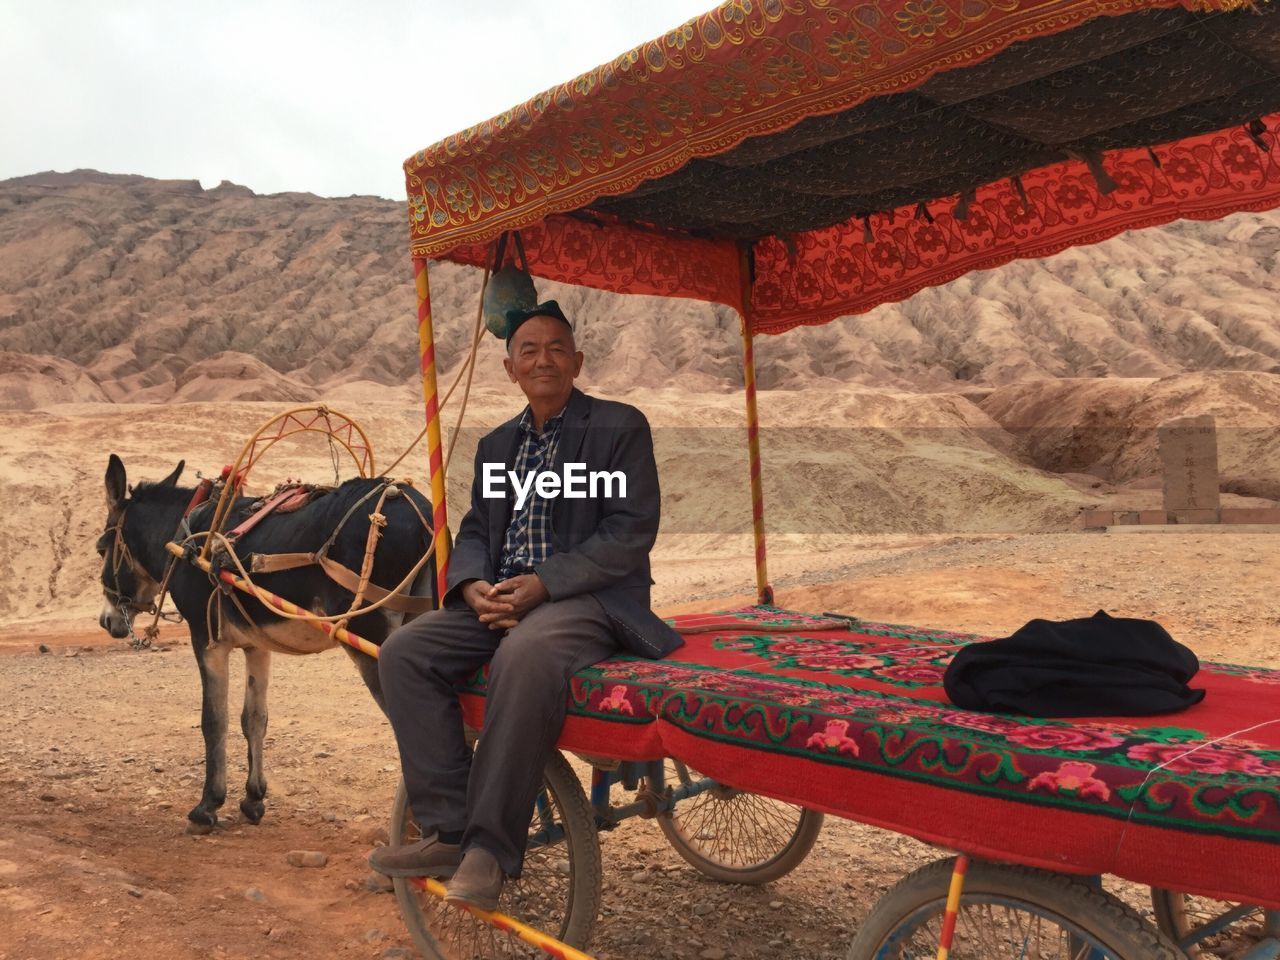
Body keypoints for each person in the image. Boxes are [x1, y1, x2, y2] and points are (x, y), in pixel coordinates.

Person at [369, 300, 682, 911]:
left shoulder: (619, 427)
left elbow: (629, 530)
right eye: (529, 351)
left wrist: (543, 583)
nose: (544, 360)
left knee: (527, 653)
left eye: (556, 349)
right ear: (510, 368)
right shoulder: (496, 446)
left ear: (578, 361)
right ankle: (448, 828)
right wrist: (470, 587)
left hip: (588, 601)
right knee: (404, 650)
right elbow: (480, 530)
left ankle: (490, 848)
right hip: (502, 597)